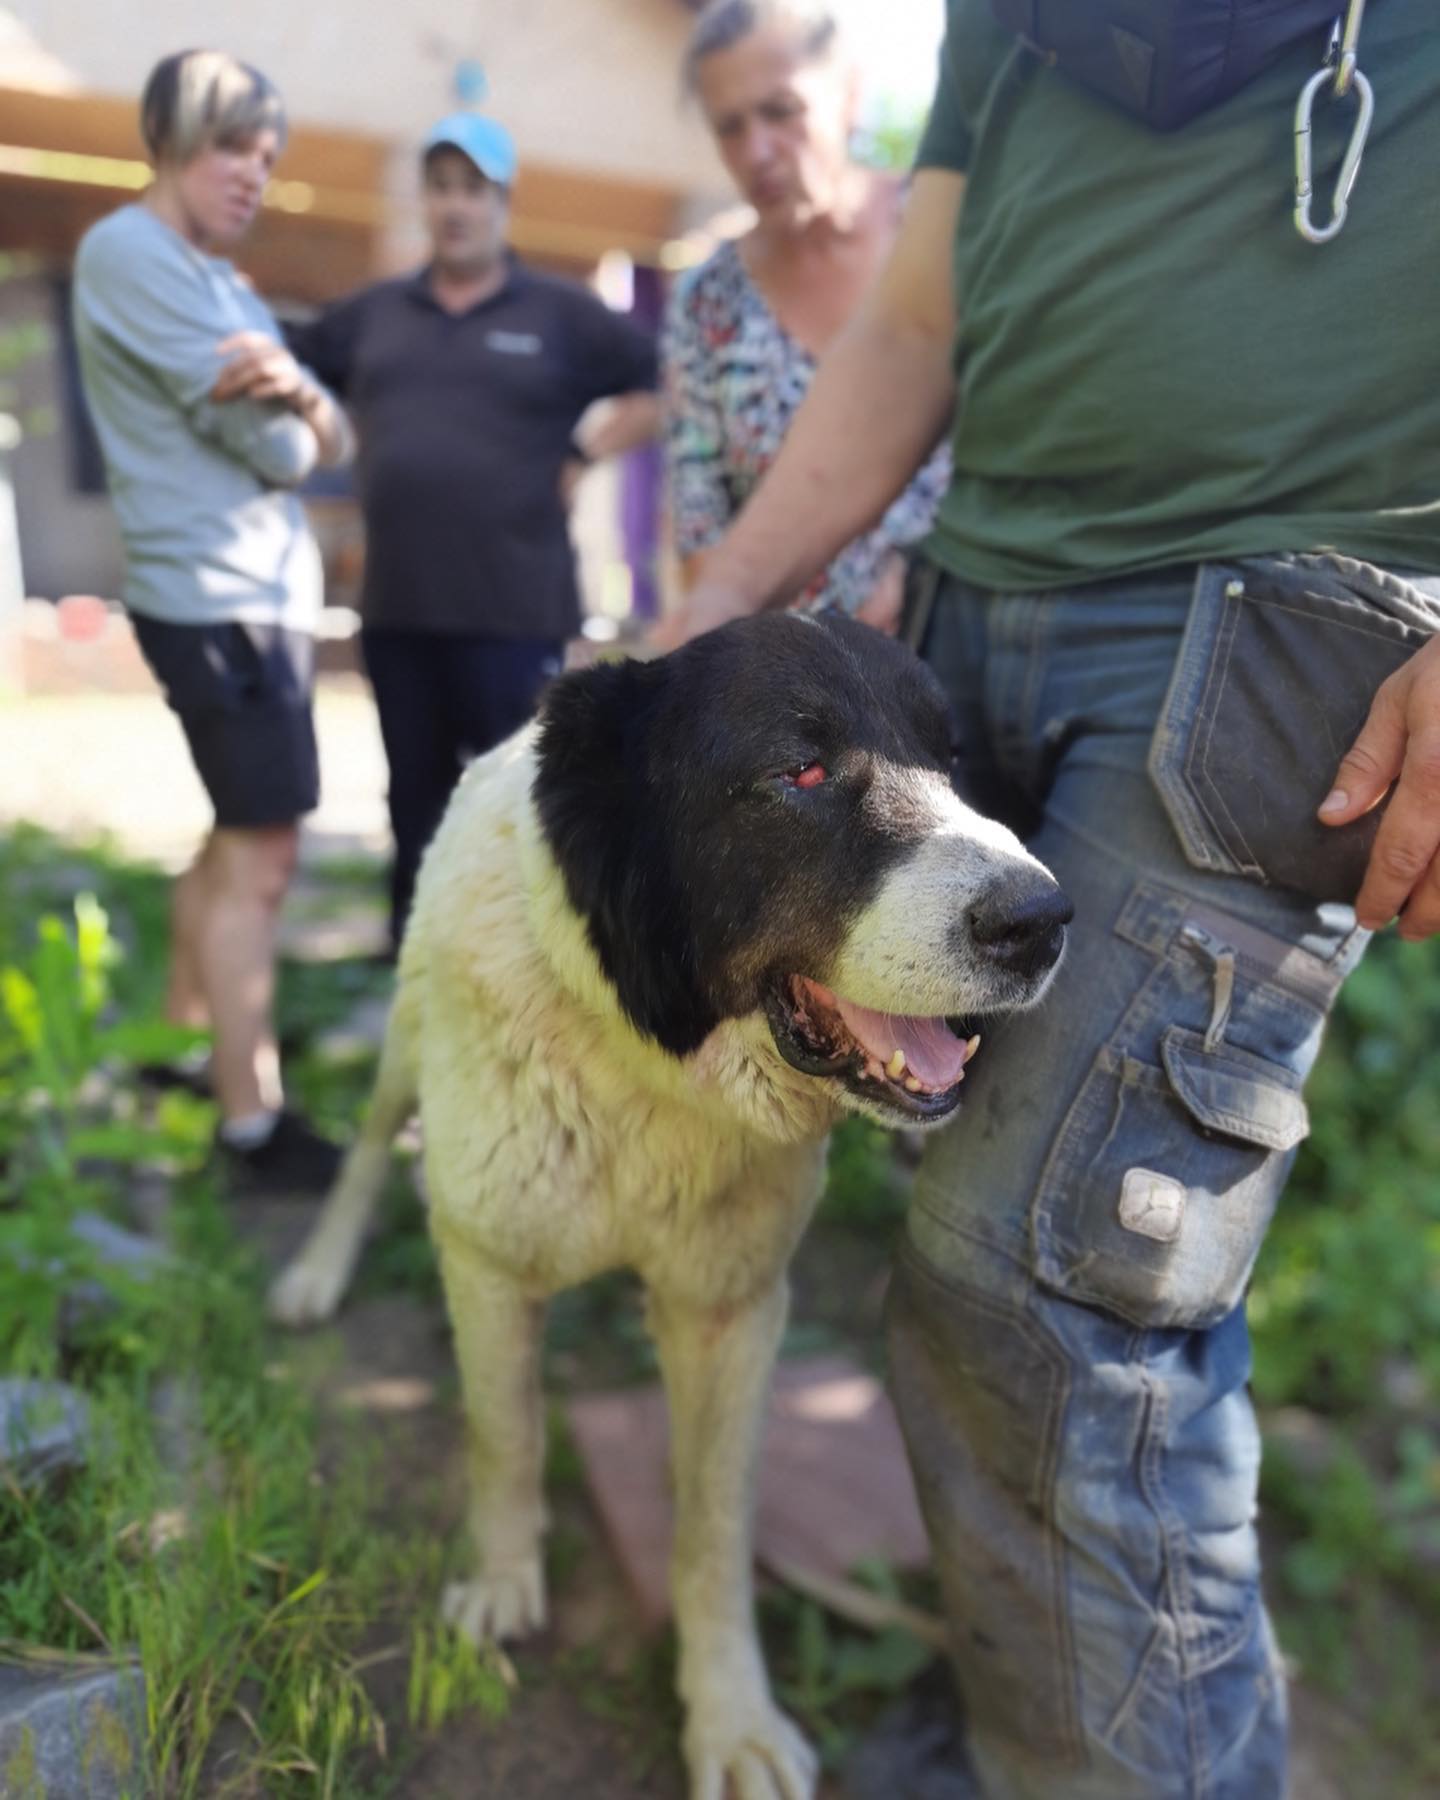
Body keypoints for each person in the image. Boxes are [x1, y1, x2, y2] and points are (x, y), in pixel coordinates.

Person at [663, 3, 1440, 1795]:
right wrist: (712, 619)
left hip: (1270, 643)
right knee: (984, 1185)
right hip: (970, 627)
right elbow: (921, 315)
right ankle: (1050, 1708)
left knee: (1050, 1278)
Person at [275, 114, 661, 955]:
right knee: (411, 792)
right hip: (400, 607)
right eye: (442, 187)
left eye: (473, 190)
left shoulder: (561, 314)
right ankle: (413, 948)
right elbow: (286, 361)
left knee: (511, 791)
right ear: (426, 201)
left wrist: (583, 449)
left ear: (501, 203)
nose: (456, 206)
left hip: (514, 608)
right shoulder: (376, 314)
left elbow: (660, 382)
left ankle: (513, 952)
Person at [73, 50, 353, 1193]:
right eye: (234, 145)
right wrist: (297, 412)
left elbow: (330, 437)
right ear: (174, 135)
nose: (255, 175)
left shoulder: (225, 287)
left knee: (233, 835)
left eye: (268, 157)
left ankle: (188, 1045)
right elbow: (289, 447)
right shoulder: (129, 253)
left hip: (260, 599)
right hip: (215, 600)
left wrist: (298, 400)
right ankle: (252, 1125)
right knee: (266, 857)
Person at [664, 0, 947, 631]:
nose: (757, 150)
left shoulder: (935, 229)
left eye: (780, 110)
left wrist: (921, 576)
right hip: (797, 691)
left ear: (848, 94)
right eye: (729, 127)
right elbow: (700, 518)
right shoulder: (708, 303)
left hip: (961, 647)